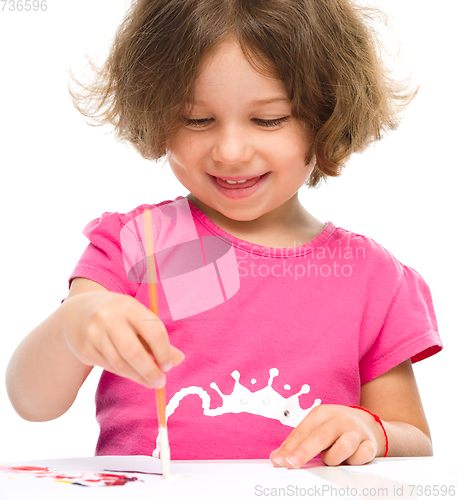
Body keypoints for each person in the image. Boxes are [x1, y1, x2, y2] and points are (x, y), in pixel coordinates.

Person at [6, 0, 442, 468]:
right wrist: (75, 325)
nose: (230, 152)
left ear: (328, 116)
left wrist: (370, 431)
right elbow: (32, 403)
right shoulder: (140, 243)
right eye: (197, 120)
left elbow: (413, 439)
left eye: (269, 119)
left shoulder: (373, 278)